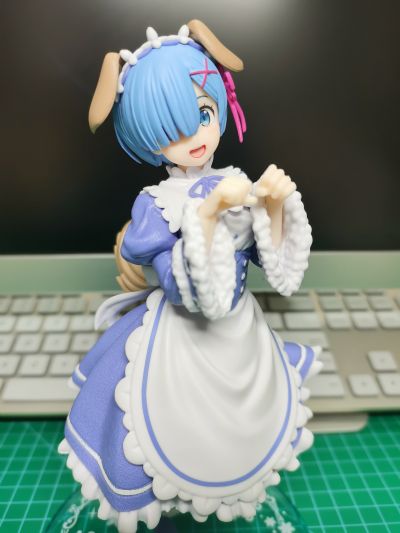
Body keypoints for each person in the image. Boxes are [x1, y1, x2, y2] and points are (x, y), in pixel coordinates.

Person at [58, 20, 322, 533]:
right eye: (167, 132)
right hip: (180, 342)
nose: (193, 138)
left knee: (242, 428)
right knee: (164, 430)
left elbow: (273, 263)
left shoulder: (234, 181)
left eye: (202, 115)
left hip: (241, 336)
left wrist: (274, 208)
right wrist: (206, 219)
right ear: (148, 141)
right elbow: (184, 290)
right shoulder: (157, 206)